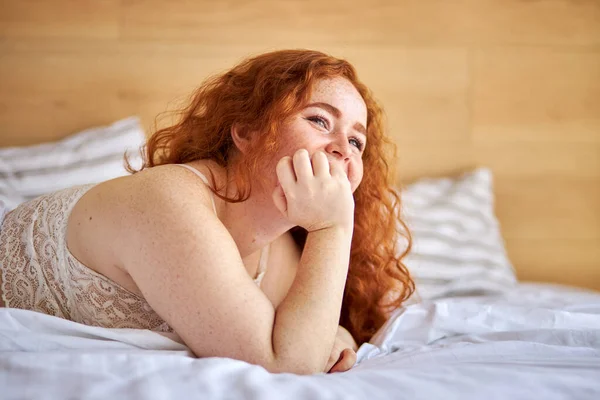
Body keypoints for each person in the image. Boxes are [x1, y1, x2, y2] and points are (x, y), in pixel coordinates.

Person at [0, 49, 414, 374]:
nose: (343, 147)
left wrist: (337, 332)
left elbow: (302, 331)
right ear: (247, 131)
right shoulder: (169, 200)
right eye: (320, 120)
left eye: (357, 142)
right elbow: (284, 365)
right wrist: (332, 227)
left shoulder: (280, 252)